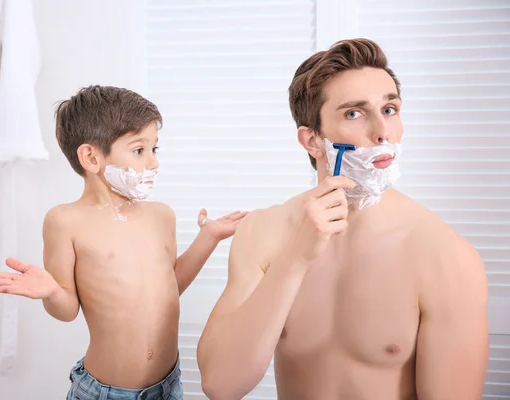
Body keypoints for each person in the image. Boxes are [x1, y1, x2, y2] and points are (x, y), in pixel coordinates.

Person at [197, 38, 489, 400]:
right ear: (312, 141)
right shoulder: (263, 231)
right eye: (354, 113)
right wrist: (296, 257)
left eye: (390, 109)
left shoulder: (445, 256)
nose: (382, 132)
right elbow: (221, 385)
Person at [0, 85, 247, 400]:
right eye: (139, 150)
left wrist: (209, 237)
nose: (153, 162)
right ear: (91, 157)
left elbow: (168, 288)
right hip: (106, 393)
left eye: (154, 149)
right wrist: (52, 291)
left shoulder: (161, 216)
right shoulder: (65, 221)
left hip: (168, 385)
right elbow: (67, 311)